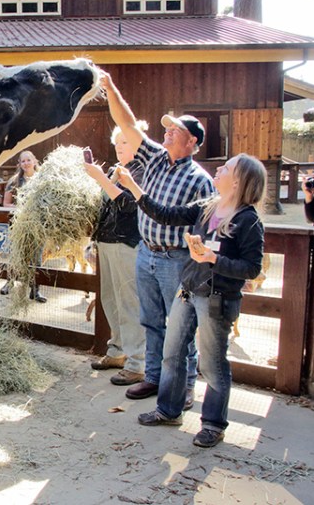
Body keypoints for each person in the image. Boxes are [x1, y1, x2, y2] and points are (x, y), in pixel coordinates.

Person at [117, 153, 266, 448]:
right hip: (188, 291)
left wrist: (212, 258)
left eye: (226, 167)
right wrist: (134, 187)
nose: (219, 169)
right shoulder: (207, 207)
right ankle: (169, 410)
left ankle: (213, 424)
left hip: (217, 299)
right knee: (172, 354)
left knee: (213, 365)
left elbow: (252, 268)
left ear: (238, 180)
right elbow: (166, 214)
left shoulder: (248, 221)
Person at [101, 72, 216, 405]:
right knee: (151, 320)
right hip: (145, 252)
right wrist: (110, 87)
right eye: (167, 127)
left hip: (176, 259)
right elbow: (127, 125)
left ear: (192, 141)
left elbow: (204, 226)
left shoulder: (200, 179)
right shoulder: (152, 158)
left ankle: (187, 385)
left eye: (176, 130)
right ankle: (153, 377)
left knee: (180, 327)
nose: (168, 131)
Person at [84, 124, 147, 386]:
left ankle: (137, 363)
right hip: (107, 242)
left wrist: (100, 179)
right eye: (118, 143)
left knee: (129, 302)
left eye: (126, 142)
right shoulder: (112, 171)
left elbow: (128, 205)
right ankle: (117, 351)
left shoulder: (143, 172)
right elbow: (103, 207)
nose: (121, 148)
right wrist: (93, 241)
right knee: (110, 299)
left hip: (128, 243)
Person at [0, 150, 46, 303]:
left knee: (36, 258)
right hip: (18, 225)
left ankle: (35, 290)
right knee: (16, 254)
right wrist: (19, 210)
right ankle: (10, 282)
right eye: (23, 161)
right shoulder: (14, 182)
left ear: (34, 161)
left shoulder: (43, 180)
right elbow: (6, 203)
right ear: (19, 164)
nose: (26, 163)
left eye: (28, 160)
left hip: (37, 225)